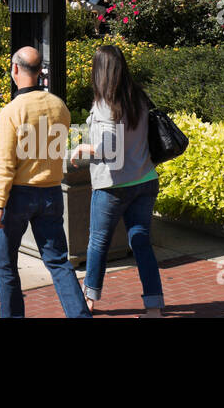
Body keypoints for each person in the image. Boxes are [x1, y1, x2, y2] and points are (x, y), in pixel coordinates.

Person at [0, 47, 91, 318]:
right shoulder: (60, 107)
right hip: (51, 192)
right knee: (58, 262)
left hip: (18, 196)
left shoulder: (11, 111)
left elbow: (6, 164)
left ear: (15, 70)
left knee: (6, 265)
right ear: (39, 72)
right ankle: (80, 315)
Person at [70, 45, 163, 316]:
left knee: (98, 242)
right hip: (145, 179)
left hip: (114, 186)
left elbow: (109, 149)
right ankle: (154, 307)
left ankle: (88, 302)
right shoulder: (139, 98)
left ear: (99, 71)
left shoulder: (104, 105)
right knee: (141, 242)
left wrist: (82, 149)